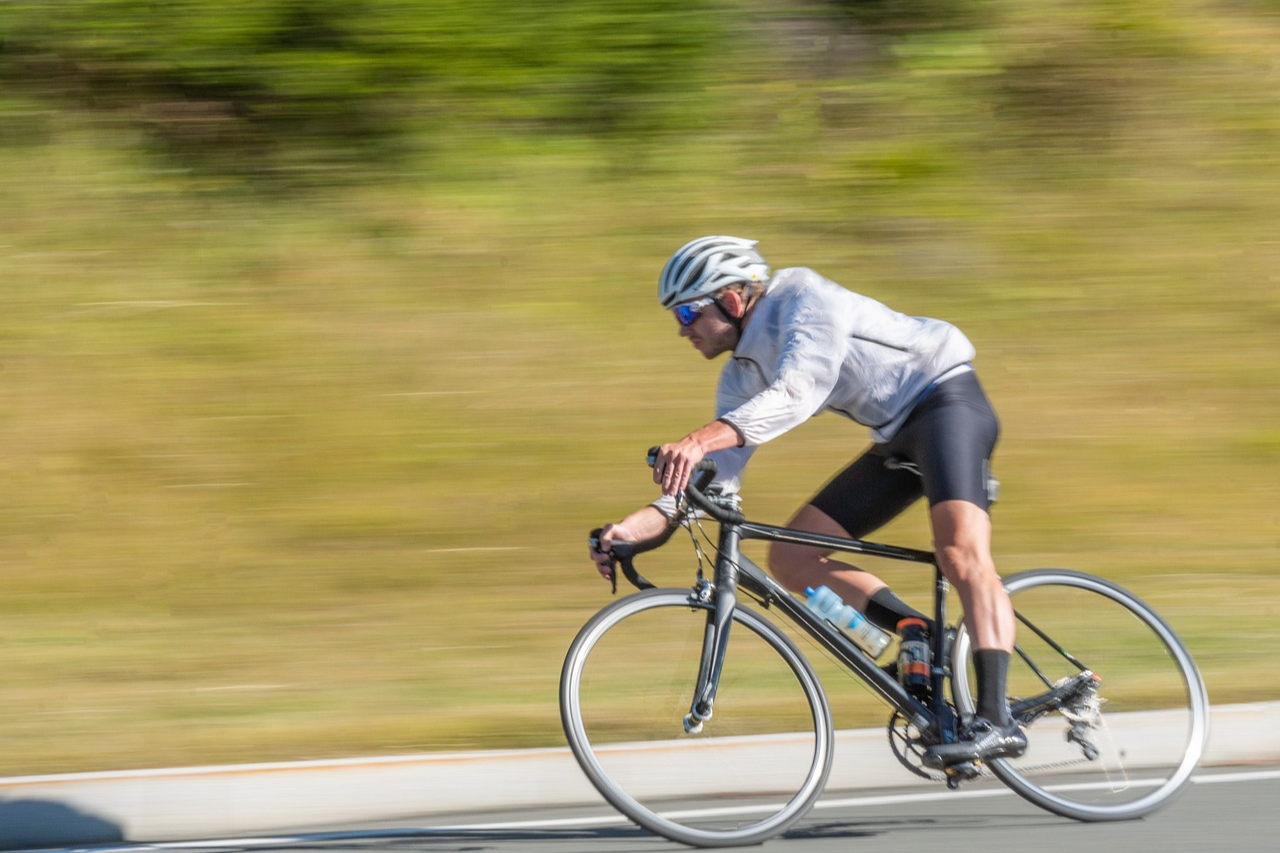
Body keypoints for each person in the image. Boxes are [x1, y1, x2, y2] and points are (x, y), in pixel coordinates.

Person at [589, 235, 1025, 768]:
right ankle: (919, 631)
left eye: (687, 311)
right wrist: (632, 530)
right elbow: (714, 483)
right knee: (790, 558)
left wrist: (700, 438)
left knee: (960, 554)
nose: (681, 328)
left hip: (947, 404)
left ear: (729, 299)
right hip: (896, 437)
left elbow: (799, 391)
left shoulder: (804, 299)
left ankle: (998, 719)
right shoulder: (741, 375)